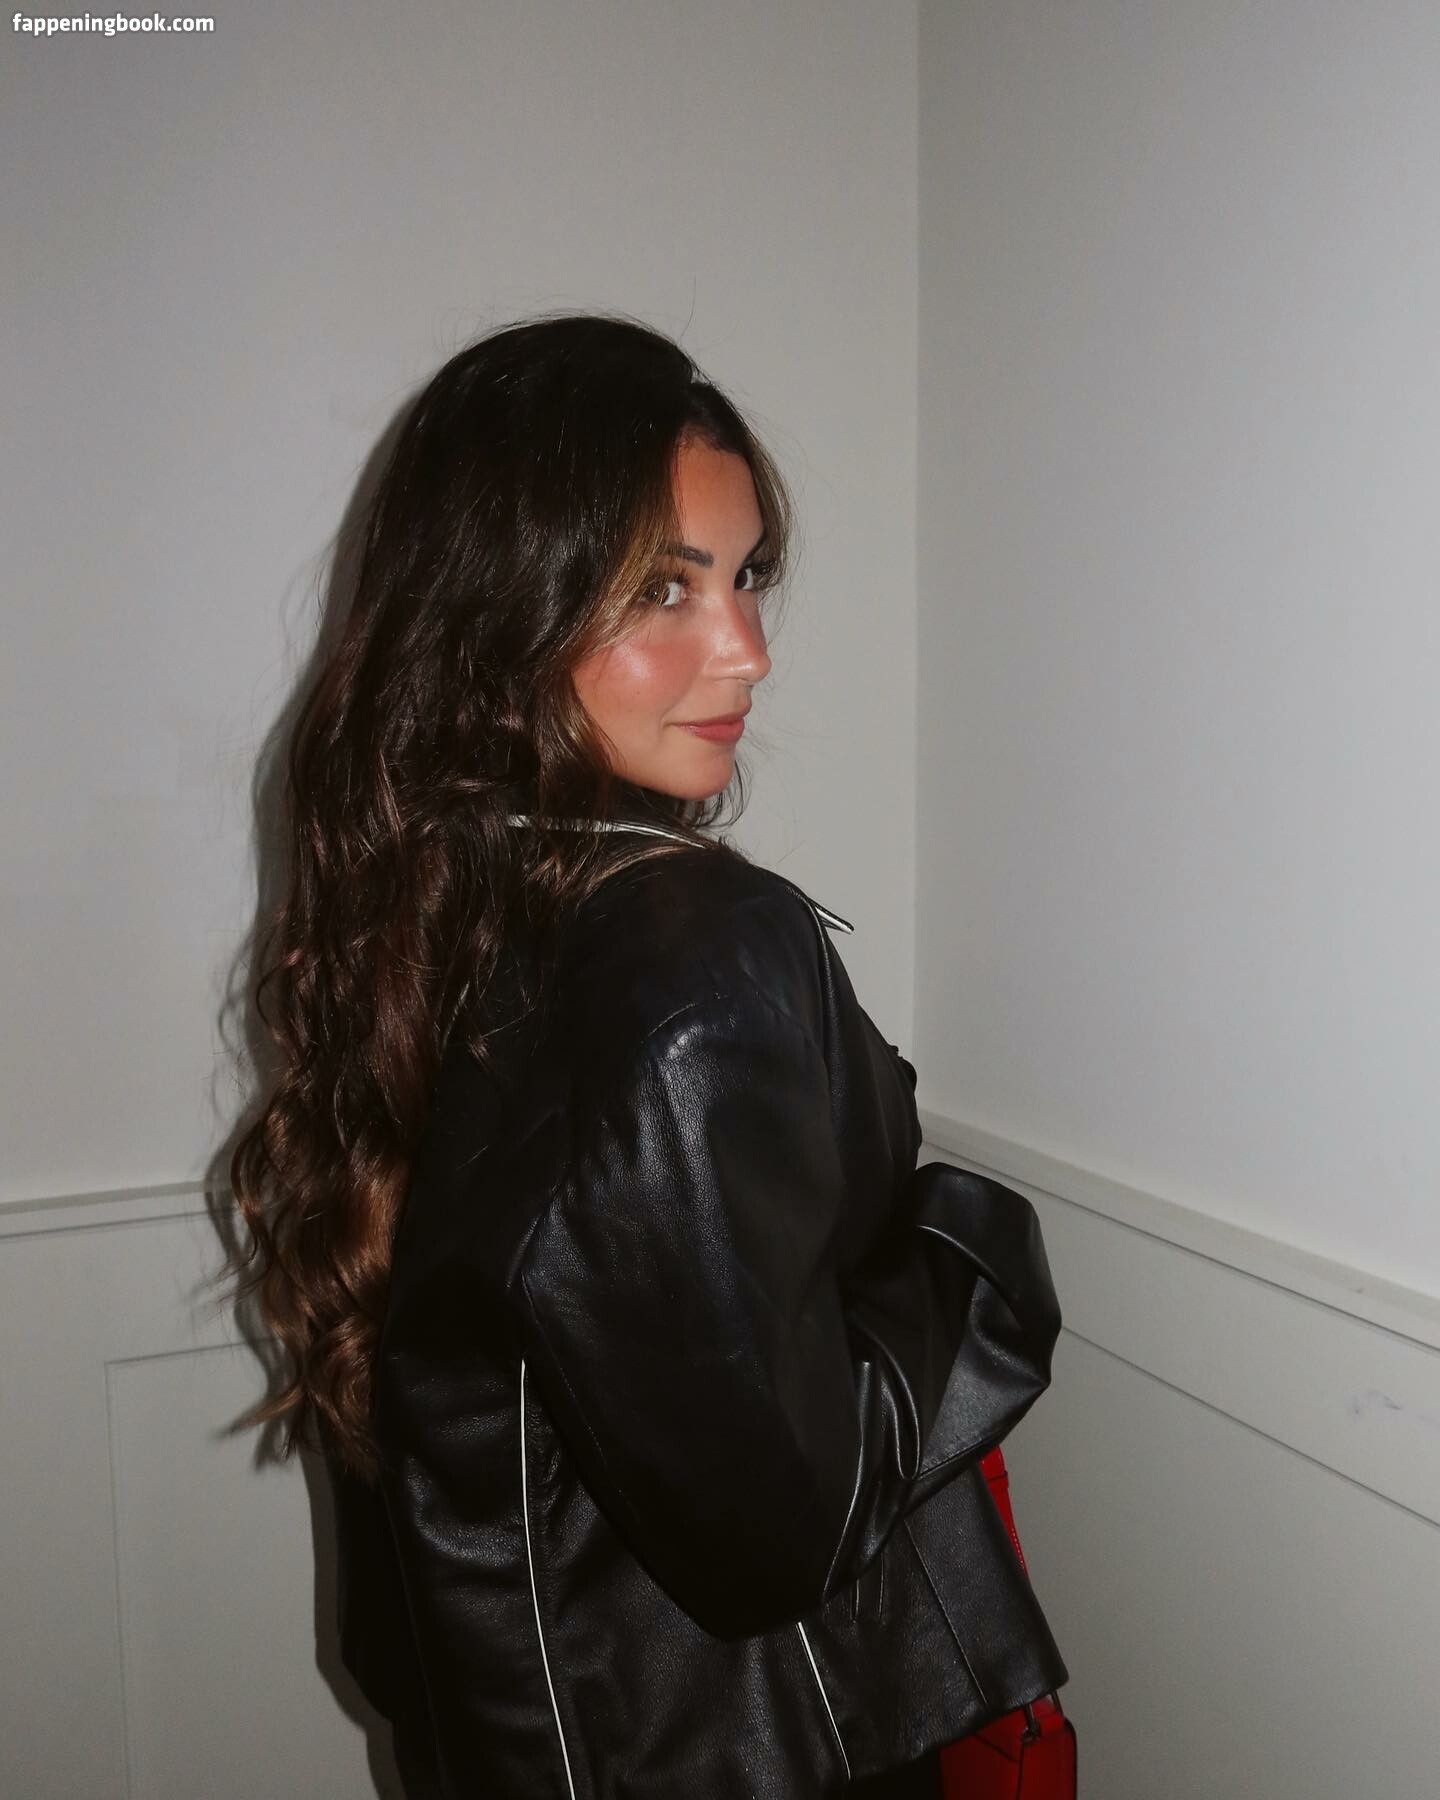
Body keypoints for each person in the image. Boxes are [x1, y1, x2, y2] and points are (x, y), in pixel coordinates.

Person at [228, 310, 1069, 1799]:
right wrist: (971, 1250)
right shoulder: (692, 949)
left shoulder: (430, 899)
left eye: (746, 578)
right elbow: (781, 1533)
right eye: (660, 589)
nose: (746, 649)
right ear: (498, 614)